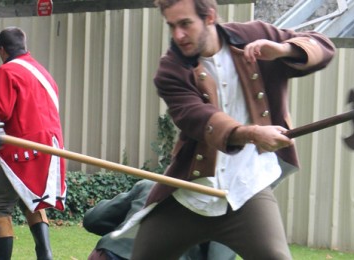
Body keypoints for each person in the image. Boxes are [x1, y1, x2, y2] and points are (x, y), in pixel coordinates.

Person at [128, 0, 336, 259]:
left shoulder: (255, 36)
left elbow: (325, 47)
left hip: (248, 189)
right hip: (190, 194)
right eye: (172, 26)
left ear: (210, 17)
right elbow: (199, 119)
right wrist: (252, 133)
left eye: (185, 24)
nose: (178, 35)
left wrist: (283, 50)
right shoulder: (171, 69)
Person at [0, 26, 66, 260]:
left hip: (24, 148)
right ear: (24, 46)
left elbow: (2, 110)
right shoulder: (42, 72)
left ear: (2, 50)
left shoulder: (7, 71)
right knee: (32, 200)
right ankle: (45, 254)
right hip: (51, 146)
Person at [83, 180, 235, 260]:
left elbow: (93, 219)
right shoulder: (223, 208)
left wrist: (128, 231)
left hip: (109, 255)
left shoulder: (151, 185)